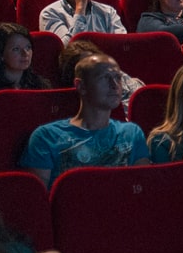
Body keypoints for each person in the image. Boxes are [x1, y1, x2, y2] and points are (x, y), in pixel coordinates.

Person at [21, 54, 149, 186]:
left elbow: (143, 190)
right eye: (105, 78)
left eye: (118, 78)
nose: (115, 85)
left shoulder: (132, 133)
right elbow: (38, 199)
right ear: (81, 86)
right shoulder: (47, 137)